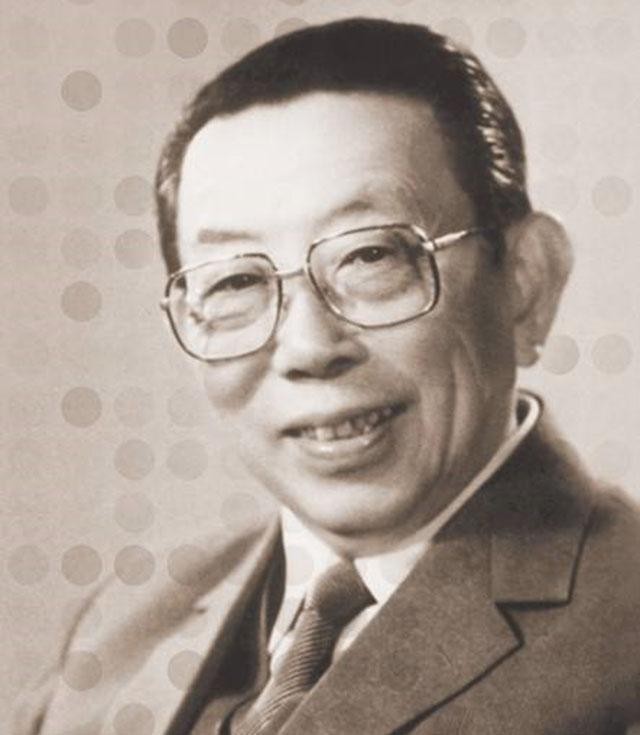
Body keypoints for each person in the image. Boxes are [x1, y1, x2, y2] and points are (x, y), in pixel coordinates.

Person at [16, 17, 640, 735]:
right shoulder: (120, 629)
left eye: (371, 257)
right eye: (235, 282)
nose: (310, 348)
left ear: (528, 283)